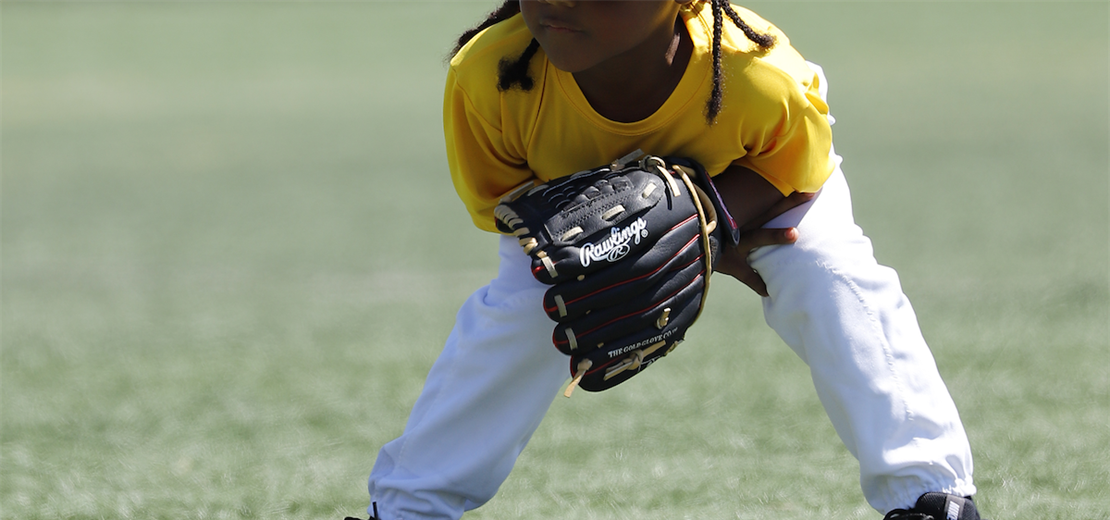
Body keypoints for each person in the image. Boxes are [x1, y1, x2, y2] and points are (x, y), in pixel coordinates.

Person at [350, 1, 984, 519]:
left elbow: (798, 166)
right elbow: (503, 203)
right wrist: (601, 253)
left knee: (828, 271)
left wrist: (713, 225)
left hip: (752, 182)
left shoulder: (753, 69)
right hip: (570, 206)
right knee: (525, 311)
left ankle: (928, 493)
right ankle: (409, 508)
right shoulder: (493, 73)